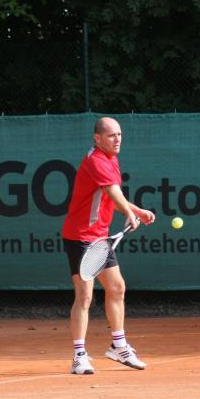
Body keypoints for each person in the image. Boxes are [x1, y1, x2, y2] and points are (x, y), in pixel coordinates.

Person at [61, 117, 156, 375]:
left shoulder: (111, 159)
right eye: (112, 135)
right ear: (97, 138)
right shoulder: (96, 160)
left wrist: (137, 210)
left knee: (116, 288)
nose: (117, 139)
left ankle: (118, 346)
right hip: (80, 236)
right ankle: (79, 356)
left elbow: (112, 195)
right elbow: (113, 193)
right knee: (85, 296)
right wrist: (129, 213)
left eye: (120, 134)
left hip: (99, 237)